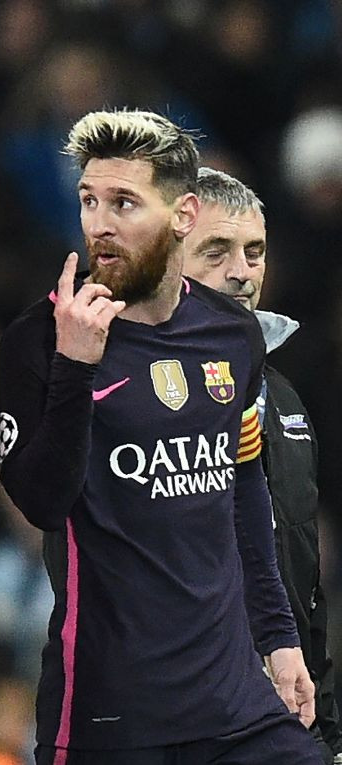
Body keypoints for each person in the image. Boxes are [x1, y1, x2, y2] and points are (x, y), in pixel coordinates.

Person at [0, 109, 321, 764]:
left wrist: (279, 639)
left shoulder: (233, 333)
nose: (99, 223)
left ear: (184, 214)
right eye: (89, 201)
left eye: (123, 202)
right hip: (112, 710)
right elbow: (41, 502)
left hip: (234, 702)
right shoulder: (41, 338)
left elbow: (244, 490)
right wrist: (76, 369)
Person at [182, 167, 342, 764]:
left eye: (255, 252)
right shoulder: (124, 390)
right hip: (184, 719)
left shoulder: (285, 397)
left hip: (285, 715)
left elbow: (304, 581)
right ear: (166, 258)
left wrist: (326, 726)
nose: (241, 273)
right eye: (215, 251)